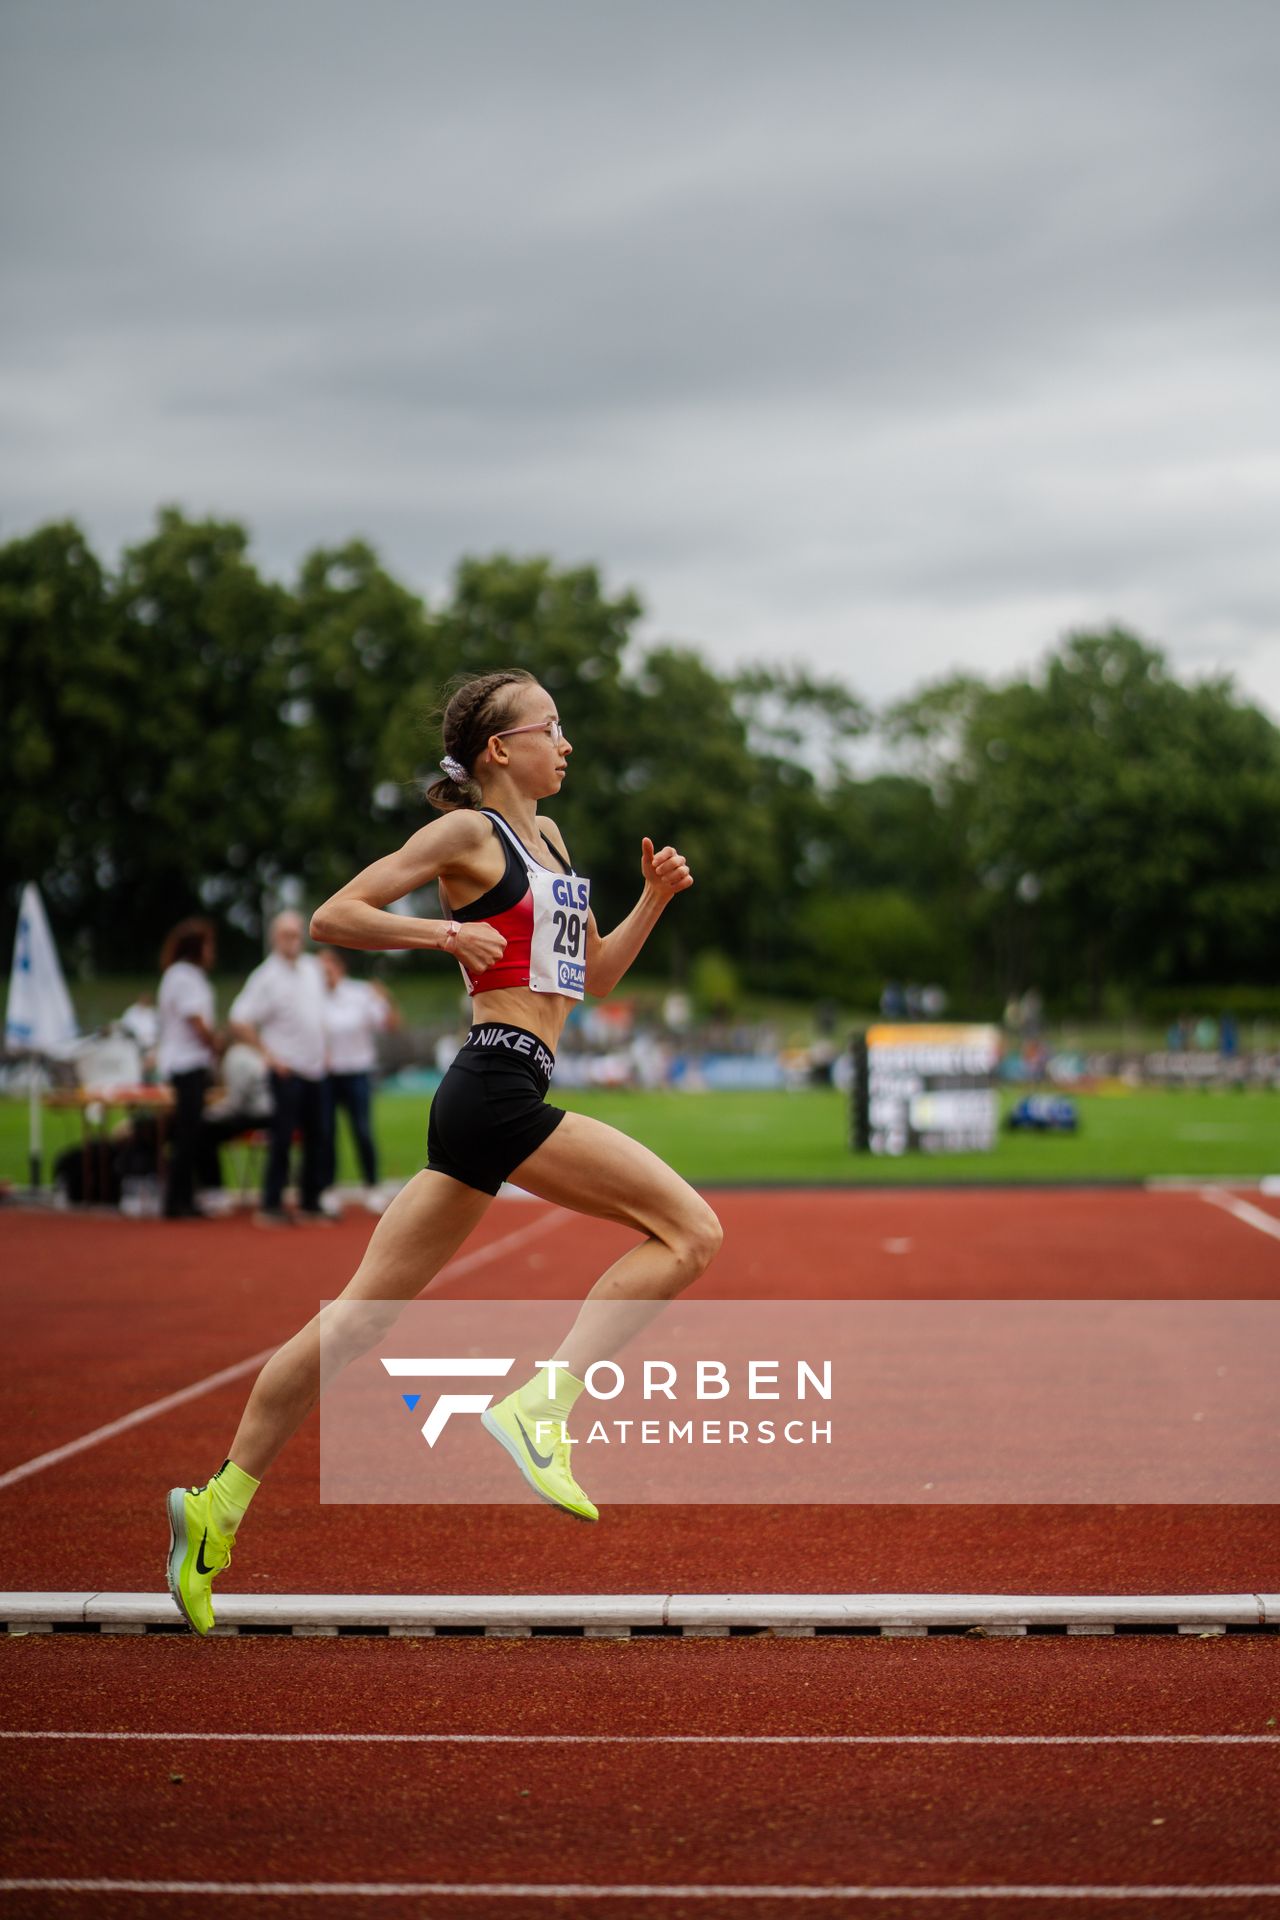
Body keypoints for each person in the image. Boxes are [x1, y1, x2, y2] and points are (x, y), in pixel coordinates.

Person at [166, 668, 721, 1634]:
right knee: (691, 1231)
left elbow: (589, 974)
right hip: (496, 1085)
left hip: (493, 1094)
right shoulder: (470, 833)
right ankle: (540, 1408)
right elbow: (339, 915)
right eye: (553, 727)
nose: (568, 743)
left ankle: (216, 1506)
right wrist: (440, 935)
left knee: (355, 1321)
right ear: (500, 749)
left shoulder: (551, 841)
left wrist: (653, 901)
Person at [228, 912, 328, 1227]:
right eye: (286, 934)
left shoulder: (312, 969)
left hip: (315, 1069)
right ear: (274, 938)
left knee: (318, 1138)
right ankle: (272, 1203)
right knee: (283, 1137)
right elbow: (239, 1019)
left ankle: (311, 1201)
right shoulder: (266, 976)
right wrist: (268, 1056)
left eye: (297, 933)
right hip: (286, 1070)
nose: (293, 940)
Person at [318, 948, 400, 1206]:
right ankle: (328, 1187)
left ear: (339, 968)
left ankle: (372, 1185)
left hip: (356, 1071)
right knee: (326, 1132)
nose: (322, 973)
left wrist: (385, 999)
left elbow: (389, 1024)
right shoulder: (311, 997)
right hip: (325, 1075)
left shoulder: (359, 993)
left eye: (327, 967)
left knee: (362, 1130)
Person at [156, 917, 219, 1220]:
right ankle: (176, 1200)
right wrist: (215, 1043)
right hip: (187, 1062)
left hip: (188, 1061)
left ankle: (182, 1197)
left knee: (189, 1134)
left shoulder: (183, 975)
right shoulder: (183, 976)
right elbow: (195, 1020)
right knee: (187, 1135)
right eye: (208, 945)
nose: (212, 952)